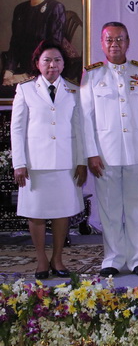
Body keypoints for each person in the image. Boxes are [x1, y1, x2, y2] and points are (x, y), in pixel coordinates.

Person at [10, 40, 87, 279]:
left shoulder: (73, 90)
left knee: (62, 211)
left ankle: (58, 258)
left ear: (63, 64)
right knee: (37, 212)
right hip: (36, 164)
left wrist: (81, 161)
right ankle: (41, 259)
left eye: (57, 60)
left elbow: (80, 129)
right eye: (47, 60)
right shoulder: (25, 89)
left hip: (65, 163)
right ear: (38, 63)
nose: (52, 65)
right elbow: (17, 129)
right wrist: (19, 164)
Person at [80, 22, 138, 277]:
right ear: (101, 43)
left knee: (136, 208)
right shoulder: (92, 74)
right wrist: (91, 153)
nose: (114, 44)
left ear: (128, 42)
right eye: (109, 39)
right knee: (110, 209)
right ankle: (112, 258)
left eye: (119, 39)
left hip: (137, 151)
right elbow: (85, 117)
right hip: (105, 154)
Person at [3, 0, 67, 86]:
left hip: (47, 72)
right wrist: (9, 71)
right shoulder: (20, 9)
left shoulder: (55, 8)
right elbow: (15, 44)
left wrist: (26, 76)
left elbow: (53, 51)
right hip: (21, 71)